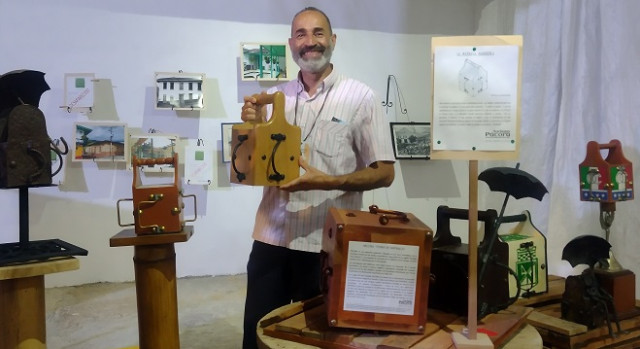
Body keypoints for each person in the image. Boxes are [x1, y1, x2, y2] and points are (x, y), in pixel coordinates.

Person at [240, 7, 395, 349]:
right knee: (258, 336)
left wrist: (328, 181)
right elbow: (253, 166)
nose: (310, 42)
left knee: (322, 339)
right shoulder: (274, 97)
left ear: (333, 40)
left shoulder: (361, 98)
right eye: (301, 34)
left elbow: (385, 173)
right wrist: (250, 126)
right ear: (291, 44)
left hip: (327, 244)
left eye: (318, 33)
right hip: (272, 237)